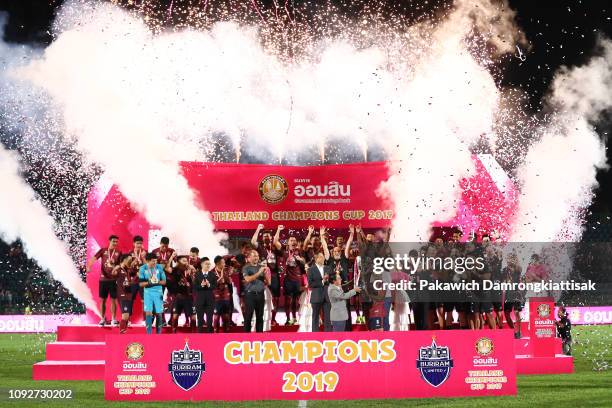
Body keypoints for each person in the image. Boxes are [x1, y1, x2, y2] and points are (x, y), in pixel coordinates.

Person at [86, 235, 122, 326]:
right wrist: (89, 266)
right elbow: (93, 259)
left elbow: (120, 265)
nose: (115, 243)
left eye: (116, 242)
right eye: (113, 241)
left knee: (114, 300)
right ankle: (102, 319)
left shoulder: (118, 252)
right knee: (103, 300)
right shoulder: (103, 250)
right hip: (103, 280)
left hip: (114, 280)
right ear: (109, 241)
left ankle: (113, 319)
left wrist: (115, 269)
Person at [252, 224, 283, 326]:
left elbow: (276, 242)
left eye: (268, 236)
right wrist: (258, 229)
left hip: (274, 276)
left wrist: (278, 230)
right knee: (262, 298)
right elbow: (253, 242)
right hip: (262, 276)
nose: (266, 237)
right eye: (264, 236)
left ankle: (273, 319)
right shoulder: (260, 248)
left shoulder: (275, 247)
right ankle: (261, 319)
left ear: (271, 237)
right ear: (262, 237)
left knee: (275, 298)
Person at [325, 225, 354, 330]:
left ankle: (347, 329)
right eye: (335, 251)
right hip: (333, 288)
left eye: (338, 251)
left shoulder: (344, 259)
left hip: (344, 286)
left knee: (346, 308)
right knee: (334, 307)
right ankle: (335, 328)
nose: (337, 253)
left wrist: (351, 233)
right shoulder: (329, 260)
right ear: (332, 253)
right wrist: (322, 237)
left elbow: (349, 244)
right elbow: (325, 248)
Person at [242, 250, 270, 332]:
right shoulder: (246, 268)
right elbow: (247, 279)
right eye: (254, 256)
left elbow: (268, 282)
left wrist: (265, 273)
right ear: (249, 258)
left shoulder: (261, 267)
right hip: (250, 295)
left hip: (260, 295)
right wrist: (259, 272)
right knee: (248, 316)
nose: (256, 257)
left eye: (257, 256)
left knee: (260, 316)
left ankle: (259, 337)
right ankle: (246, 337)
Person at [139, 253, 166, 334]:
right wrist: (149, 282)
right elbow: (141, 284)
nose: (155, 263)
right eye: (153, 261)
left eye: (156, 261)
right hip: (148, 293)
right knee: (148, 312)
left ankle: (158, 334)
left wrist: (157, 281)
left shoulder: (159, 267)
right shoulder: (142, 268)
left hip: (158, 292)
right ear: (147, 261)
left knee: (159, 313)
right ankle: (149, 334)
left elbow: (164, 282)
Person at [151, 237, 176, 326]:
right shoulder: (154, 251)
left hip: (170, 279)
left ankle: (172, 320)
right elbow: (152, 264)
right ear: (160, 243)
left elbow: (176, 264)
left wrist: (170, 266)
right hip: (159, 279)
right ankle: (162, 320)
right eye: (163, 246)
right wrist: (164, 266)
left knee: (174, 298)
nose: (164, 248)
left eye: (166, 246)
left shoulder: (172, 251)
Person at [170, 256, 197, 333]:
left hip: (189, 297)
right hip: (178, 297)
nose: (186, 262)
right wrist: (172, 257)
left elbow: (195, 282)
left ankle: (194, 335)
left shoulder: (190, 270)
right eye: (183, 261)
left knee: (193, 317)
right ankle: (173, 333)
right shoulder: (175, 270)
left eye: (186, 261)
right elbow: (168, 268)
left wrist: (193, 272)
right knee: (175, 316)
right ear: (178, 262)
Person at [283, 235, 306, 325]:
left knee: (297, 300)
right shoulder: (284, 252)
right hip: (288, 279)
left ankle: (295, 318)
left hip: (297, 279)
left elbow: (304, 262)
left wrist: (300, 259)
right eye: (291, 240)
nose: (293, 241)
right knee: (288, 300)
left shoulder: (300, 252)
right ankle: (288, 319)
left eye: (294, 240)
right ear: (288, 243)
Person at [307, 251, 332, 332]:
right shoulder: (311, 270)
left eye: (323, 257)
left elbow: (332, 280)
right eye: (321, 257)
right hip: (316, 296)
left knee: (327, 316)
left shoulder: (328, 268)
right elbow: (310, 284)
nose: (323, 258)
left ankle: (328, 334)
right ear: (316, 259)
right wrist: (322, 281)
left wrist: (330, 279)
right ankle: (315, 334)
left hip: (327, 296)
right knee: (315, 316)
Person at [503, 252, 524, 338]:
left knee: (516, 312)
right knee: (506, 313)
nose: (508, 260)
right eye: (508, 258)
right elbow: (504, 280)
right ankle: (513, 330)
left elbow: (518, 271)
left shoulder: (518, 268)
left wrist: (511, 266)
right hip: (508, 293)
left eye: (510, 258)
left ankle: (518, 332)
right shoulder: (505, 269)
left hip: (516, 293)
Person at [194, 257, 217, 333]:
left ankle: (210, 337)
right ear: (202, 265)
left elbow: (215, 286)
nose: (208, 265)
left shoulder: (213, 274)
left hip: (210, 300)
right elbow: (194, 287)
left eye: (209, 264)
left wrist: (209, 285)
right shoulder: (197, 274)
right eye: (206, 264)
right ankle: (199, 336)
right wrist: (201, 285)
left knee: (209, 319)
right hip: (199, 300)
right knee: (200, 319)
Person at [112, 255, 133, 333]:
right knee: (125, 316)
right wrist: (115, 268)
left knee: (127, 317)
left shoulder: (127, 270)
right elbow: (113, 274)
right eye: (129, 259)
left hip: (128, 294)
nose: (130, 261)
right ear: (124, 260)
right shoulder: (119, 269)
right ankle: (121, 334)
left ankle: (124, 332)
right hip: (122, 294)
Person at [128, 236, 147, 322]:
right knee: (130, 300)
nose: (139, 245)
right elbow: (127, 266)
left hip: (143, 280)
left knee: (144, 300)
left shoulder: (145, 253)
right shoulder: (130, 253)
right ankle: (128, 320)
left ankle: (145, 320)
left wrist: (143, 258)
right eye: (137, 243)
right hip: (133, 280)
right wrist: (134, 261)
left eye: (140, 243)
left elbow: (149, 266)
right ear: (134, 244)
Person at [213, 255, 232, 333]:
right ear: (218, 263)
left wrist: (227, 276)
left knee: (226, 317)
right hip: (216, 298)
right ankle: (215, 333)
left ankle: (226, 334)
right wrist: (220, 278)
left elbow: (229, 282)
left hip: (225, 297)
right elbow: (212, 284)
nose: (224, 264)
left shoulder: (226, 272)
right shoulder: (212, 272)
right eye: (223, 263)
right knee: (216, 317)